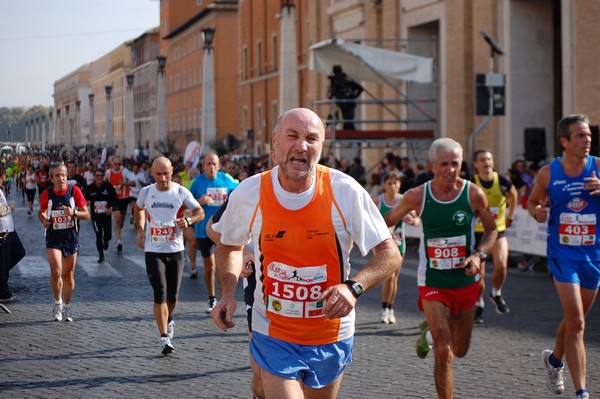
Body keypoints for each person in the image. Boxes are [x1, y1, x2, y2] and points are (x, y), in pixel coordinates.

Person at [210, 108, 401, 399]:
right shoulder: (249, 193)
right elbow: (229, 244)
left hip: (330, 333)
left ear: (321, 147)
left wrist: (354, 288)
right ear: (275, 141)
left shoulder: (345, 191)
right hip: (272, 332)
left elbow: (390, 253)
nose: (301, 146)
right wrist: (227, 293)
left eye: (311, 138)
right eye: (292, 136)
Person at [384, 138, 497, 399]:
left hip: (465, 281)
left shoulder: (473, 194)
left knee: (460, 349)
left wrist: (478, 255)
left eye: (455, 164)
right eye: (444, 164)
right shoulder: (417, 195)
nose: (450, 170)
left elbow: (491, 230)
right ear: (432, 165)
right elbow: (388, 220)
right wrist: (386, 240)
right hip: (432, 281)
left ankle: (429, 330)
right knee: (444, 351)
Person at [528, 114, 600, 399]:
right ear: (564, 141)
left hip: (593, 255)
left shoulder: (598, 168)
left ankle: (554, 359)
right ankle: (581, 391)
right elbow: (533, 202)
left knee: (574, 319)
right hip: (562, 254)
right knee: (578, 322)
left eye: (589, 136)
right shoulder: (549, 173)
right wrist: (537, 212)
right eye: (580, 136)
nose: (587, 140)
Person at [134, 157, 203, 355]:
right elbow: (138, 208)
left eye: (166, 173)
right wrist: (140, 229)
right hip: (153, 250)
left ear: (172, 171)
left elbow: (200, 212)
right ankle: (164, 337)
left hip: (175, 250)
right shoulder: (146, 192)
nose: (163, 178)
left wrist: (188, 221)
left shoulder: (181, 192)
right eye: (158, 174)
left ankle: (168, 317)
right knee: (160, 293)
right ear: (152, 173)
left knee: (172, 297)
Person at [38, 162, 90, 322]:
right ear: (51, 178)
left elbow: (86, 214)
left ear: (67, 176)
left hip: (70, 237)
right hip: (53, 236)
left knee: (68, 275)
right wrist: (44, 221)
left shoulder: (75, 191)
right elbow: (41, 213)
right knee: (56, 272)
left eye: (63, 175)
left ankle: (67, 306)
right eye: (57, 176)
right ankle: (58, 303)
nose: (61, 178)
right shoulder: (46, 194)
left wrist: (73, 213)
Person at [471, 149, 518, 323]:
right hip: (477, 233)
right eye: (482, 160)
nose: (487, 163)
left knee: (502, 265)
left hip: (497, 230)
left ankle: (496, 293)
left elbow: (513, 195)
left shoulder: (503, 180)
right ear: (476, 163)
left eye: (489, 159)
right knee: (479, 274)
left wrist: (510, 216)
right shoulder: (472, 183)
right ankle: (479, 303)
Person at [188, 153, 238, 312]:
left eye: (214, 164)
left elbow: (240, 192)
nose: (211, 167)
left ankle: (225, 297)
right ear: (203, 166)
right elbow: (186, 205)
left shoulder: (226, 180)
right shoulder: (197, 183)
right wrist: (199, 201)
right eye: (208, 164)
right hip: (204, 230)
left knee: (224, 265)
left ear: (218, 166)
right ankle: (212, 298)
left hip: (224, 230)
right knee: (210, 265)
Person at [372, 171, 419, 324]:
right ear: (384, 185)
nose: (392, 186)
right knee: (388, 277)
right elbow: (365, 214)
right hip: (383, 245)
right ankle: (384, 308)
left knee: (395, 278)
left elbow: (417, 219)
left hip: (399, 243)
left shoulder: (403, 200)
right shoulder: (378, 200)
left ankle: (390, 308)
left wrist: (411, 220)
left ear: (400, 185)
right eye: (389, 183)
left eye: (395, 183)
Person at [0, 169, 26, 303]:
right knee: (3, 263)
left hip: (9, 228)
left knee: (19, 252)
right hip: (2, 231)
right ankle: (3, 294)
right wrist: (10, 207)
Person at [84, 169, 119, 263]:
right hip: (96, 216)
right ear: (94, 177)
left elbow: (115, 199)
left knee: (108, 235)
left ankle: (106, 240)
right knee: (98, 234)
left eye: (101, 175)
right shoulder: (90, 188)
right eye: (97, 175)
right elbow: (85, 200)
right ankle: (101, 255)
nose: (99, 177)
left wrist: (111, 208)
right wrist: (87, 202)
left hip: (106, 215)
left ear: (103, 177)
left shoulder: (108, 186)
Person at [105, 156, 135, 253]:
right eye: (115, 164)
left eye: (119, 164)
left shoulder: (125, 171)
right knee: (117, 219)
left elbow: (134, 183)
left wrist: (124, 183)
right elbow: (105, 182)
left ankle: (118, 234)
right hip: (114, 199)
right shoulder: (108, 172)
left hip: (124, 198)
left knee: (121, 221)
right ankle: (119, 242)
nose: (117, 166)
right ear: (112, 164)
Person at [328, 65, 364, 130]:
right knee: (338, 119)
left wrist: (354, 96)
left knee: (348, 123)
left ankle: (353, 136)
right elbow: (332, 91)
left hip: (349, 104)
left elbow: (360, 88)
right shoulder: (334, 79)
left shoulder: (347, 81)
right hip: (339, 104)